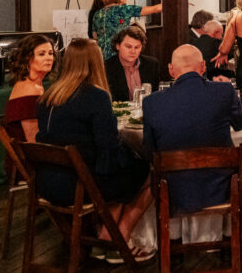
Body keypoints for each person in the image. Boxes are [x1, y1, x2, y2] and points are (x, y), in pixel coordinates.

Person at [35, 39, 155, 262]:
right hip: (78, 185)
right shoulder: (96, 97)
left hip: (47, 182)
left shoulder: (48, 96)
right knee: (148, 172)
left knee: (122, 172)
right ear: (96, 62)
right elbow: (108, 150)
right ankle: (114, 240)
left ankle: (103, 241)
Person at [142, 45, 242, 214]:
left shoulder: (151, 102)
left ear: (171, 70)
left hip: (173, 191)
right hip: (222, 187)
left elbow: (149, 151)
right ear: (203, 66)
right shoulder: (223, 91)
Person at [4, 35, 55, 159]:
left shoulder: (34, 86)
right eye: (41, 54)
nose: (48, 58)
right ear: (27, 59)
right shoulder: (30, 89)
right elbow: (33, 142)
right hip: (29, 162)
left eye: (50, 53)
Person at [91, 0, 162, 59]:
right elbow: (156, 9)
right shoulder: (124, 10)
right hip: (117, 57)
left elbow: (95, 36)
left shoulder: (97, 14)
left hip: (100, 56)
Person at [104, 25, 160, 102]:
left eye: (137, 47)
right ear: (118, 46)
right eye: (128, 47)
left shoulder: (151, 64)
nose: (133, 51)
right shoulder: (106, 67)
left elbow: (157, 94)